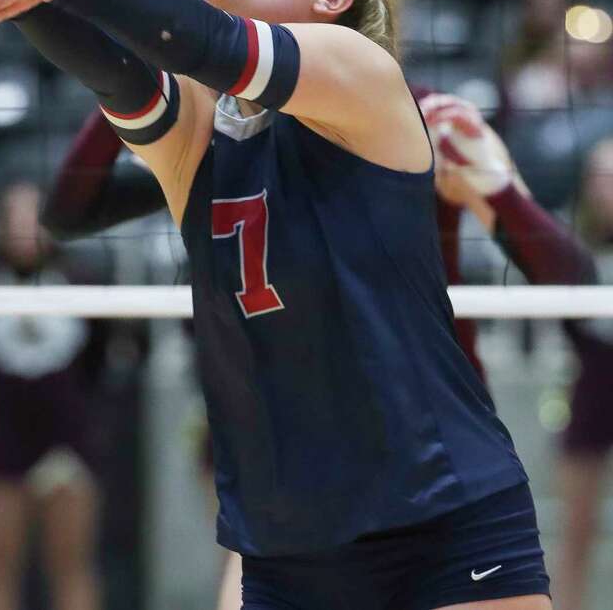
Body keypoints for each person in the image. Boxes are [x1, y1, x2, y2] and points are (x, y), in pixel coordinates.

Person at [0, 0, 554, 609]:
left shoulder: (363, 73)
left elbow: (212, 43)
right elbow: (117, 81)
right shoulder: (203, 129)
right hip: (286, 541)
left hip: (440, 513)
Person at [46, 91, 597, 608]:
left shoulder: (419, 115)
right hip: (282, 454)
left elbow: (571, 277)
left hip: (427, 454)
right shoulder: (227, 130)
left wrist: (496, 185)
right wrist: (133, 78)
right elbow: (69, 212)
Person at [0, 180, 103, 610]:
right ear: (0, 227)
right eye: (15, 218)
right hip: (2, 441)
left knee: (71, 565)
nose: (25, 229)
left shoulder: (82, 283)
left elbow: (98, 363)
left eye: (34, 218)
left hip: (66, 442)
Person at [551, 137, 613, 610]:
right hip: (594, 379)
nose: (605, 187)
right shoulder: (570, 240)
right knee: (576, 525)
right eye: (600, 177)